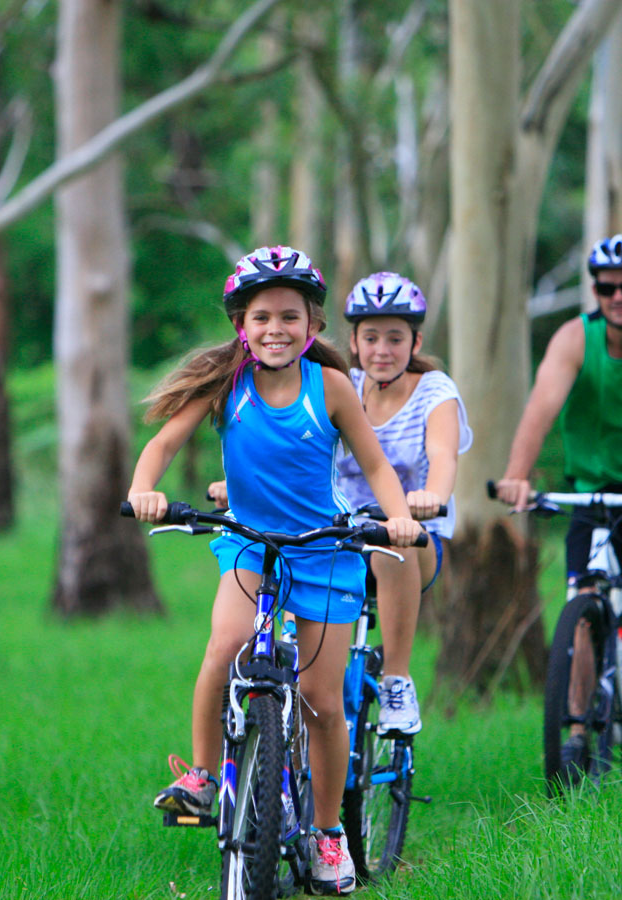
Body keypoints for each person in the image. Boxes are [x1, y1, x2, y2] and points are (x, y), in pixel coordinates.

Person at [127, 246, 423, 896]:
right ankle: (204, 776)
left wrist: (397, 518)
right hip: (250, 546)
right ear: (242, 323)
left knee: (321, 702)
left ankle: (325, 833)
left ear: (312, 326)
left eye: (290, 316)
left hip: (323, 550)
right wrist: (145, 486)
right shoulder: (225, 385)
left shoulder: (332, 388)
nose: (275, 329)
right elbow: (163, 443)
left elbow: (375, 467)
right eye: (262, 317)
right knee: (226, 646)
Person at [495, 233, 622, 777]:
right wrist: (517, 477)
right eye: (606, 287)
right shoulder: (574, 338)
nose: (618, 296)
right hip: (594, 487)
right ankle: (579, 730)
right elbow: (542, 405)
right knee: (583, 602)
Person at [334, 272, 473, 735]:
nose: (381, 350)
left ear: (415, 342)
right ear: (353, 341)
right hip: (337, 539)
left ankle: (396, 680)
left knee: (392, 545)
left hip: (412, 540)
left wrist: (432, 495)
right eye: (370, 337)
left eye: (395, 338)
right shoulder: (342, 387)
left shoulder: (435, 391)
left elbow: (442, 454)